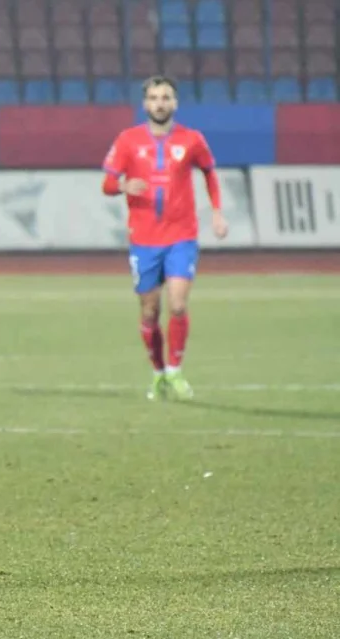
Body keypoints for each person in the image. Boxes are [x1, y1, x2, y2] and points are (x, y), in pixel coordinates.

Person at [102, 74, 229, 401]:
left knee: (177, 304)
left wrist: (217, 211)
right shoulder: (128, 140)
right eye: (154, 98)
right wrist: (122, 186)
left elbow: (210, 173)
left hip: (181, 236)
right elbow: (106, 184)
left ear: (175, 103)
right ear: (145, 104)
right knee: (148, 311)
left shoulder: (192, 140)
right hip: (143, 239)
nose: (160, 103)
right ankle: (158, 373)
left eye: (166, 97)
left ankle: (175, 371)